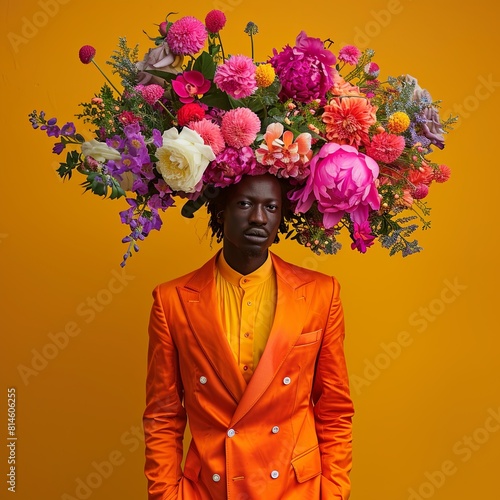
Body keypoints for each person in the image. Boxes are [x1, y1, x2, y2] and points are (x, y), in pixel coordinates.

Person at [143, 173, 354, 500]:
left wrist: (335, 493)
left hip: (297, 489)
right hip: (211, 489)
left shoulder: (320, 294)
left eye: (271, 207)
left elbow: (335, 408)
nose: (259, 217)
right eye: (245, 204)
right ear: (221, 211)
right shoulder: (172, 300)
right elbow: (163, 415)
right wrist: (166, 496)